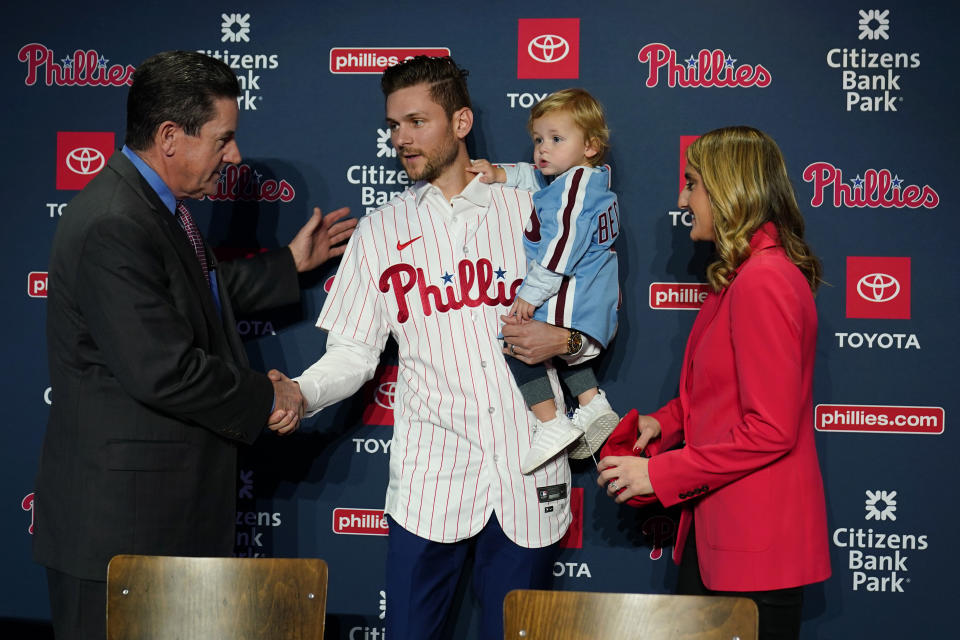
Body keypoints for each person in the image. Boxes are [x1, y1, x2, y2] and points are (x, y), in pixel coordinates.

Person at [33, 50, 355, 640]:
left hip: (159, 523)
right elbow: (164, 369)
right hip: (120, 536)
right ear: (170, 136)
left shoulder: (152, 208)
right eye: (223, 139)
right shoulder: (115, 222)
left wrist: (286, 265)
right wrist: (270, 398)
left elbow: (188, 295)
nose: (233, 156)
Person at [294, 55, 593, 640]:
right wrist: (300, 393)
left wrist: (568, 340)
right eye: (393, 125)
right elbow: (353, 354)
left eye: (416, 121)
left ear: (460, 122)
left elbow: (595, 321)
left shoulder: (537, 209)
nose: (401, 138)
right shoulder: (381, 229)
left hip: (527, 467)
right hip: (431, 480)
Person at [596, 126, 831, 640]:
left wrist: (659, 476)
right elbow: (721, 393)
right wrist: (666, 422)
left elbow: (770, 429)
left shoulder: (763, 281)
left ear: (729, 190)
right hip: (723, 537)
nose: (682, 200)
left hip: (753, 549)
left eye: (692, 184)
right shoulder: (742, 276)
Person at [468, 88, 621, 474]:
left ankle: (550, 424)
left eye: (556, 139)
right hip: (590, 305)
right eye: (538, 139)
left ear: (590, 146)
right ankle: (591, 403)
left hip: (573, 299)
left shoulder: (574, 189)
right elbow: (536, 177)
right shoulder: (583, 180)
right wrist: (501, 173)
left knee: (516, 340)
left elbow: (563, 243)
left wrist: (531, 294)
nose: (542, 149)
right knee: (554, 349)